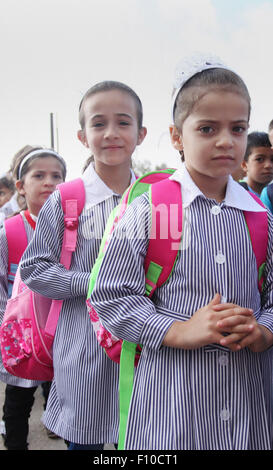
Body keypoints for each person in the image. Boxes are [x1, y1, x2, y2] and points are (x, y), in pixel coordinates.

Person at [89, 54, 273, 450]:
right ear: (176, 136)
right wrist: (176, 330)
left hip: (249, 400)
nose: (226, 140)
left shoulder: (260, 216)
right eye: (207, 128)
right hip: (171, 403)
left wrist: (263, 331)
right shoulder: (153, 208)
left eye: (237, 128)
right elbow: (110, 295)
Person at [20, 81, 147, 450]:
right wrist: (94, 282)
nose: (110, 134)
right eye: (98, 123)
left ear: (141, 134)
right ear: (81, 135)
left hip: (142, 349)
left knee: (140, 437)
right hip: (82, 348)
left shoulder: (156, 199)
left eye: (123, 123)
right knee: (85, 440)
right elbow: (35, 269)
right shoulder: (66, 198)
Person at [0, 145, 67, 450]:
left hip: (63, 337)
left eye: (57, 176)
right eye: (39, 175)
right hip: (21, 339)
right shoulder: (8, 232)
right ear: (21, 186)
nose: (49, 182)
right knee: (17, 405)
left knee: (66, 403)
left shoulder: (74, 230)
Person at [239, 131, 273, 196]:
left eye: (272, 160)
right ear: (244, 165)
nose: (268, 165)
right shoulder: (234, 195)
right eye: (259, 159)